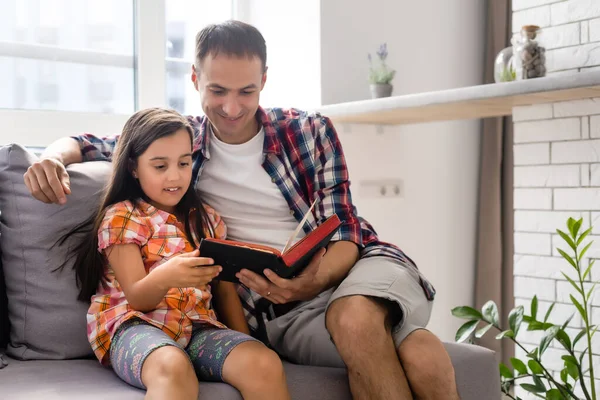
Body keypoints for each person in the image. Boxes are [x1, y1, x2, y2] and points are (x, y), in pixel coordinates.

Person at [24, 20, 459, 400]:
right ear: (194, 79)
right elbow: (95, 144)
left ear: (264, 81)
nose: (231, 108)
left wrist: (311, 282)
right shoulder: (181, 144)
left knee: (357, 317)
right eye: (217, 90)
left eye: (246, 91)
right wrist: (53, 158)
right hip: (282, 305)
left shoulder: (307, 131)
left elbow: (342, 227)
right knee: (417, 350)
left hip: (356, 265)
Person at [59, 108, 291, 400]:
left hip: (198, 329)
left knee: (263, 363)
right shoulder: (123, 217)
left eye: (183, 163)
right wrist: (166, 276)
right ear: (133, 167)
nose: (175, 176)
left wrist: (247, 341)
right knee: (172, 366)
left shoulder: (207, 220)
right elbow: (138, 298)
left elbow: (225, 293)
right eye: (160, 166)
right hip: (134, 326)